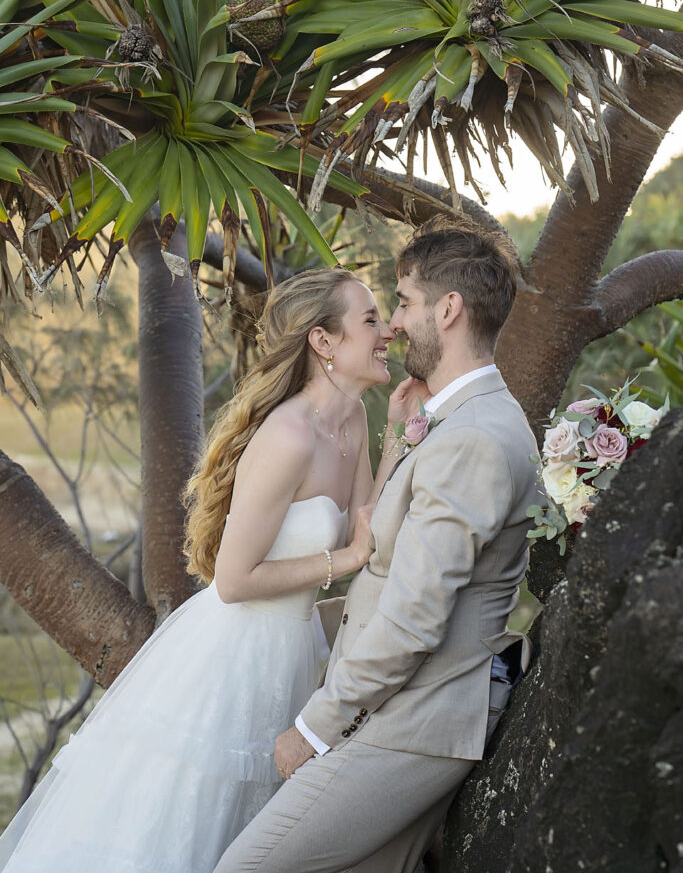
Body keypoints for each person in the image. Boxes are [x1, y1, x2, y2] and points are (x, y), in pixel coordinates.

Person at [0, 267, 411, 873]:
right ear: (323, 342)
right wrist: (344, 562)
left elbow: (365, 523)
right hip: (233, 657)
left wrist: (399, 432)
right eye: (371, 319)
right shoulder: (288, 436)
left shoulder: (350, 419)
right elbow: (234, 580)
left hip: (294, 652)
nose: (388, 332)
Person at [214, 217, 543, 873]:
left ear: (448, 310)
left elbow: (416, 614)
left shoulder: (473, 439)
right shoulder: (455, 421)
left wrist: (315, 726)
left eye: (402, 303)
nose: (391, 324)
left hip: (415, 723)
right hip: (400, 709)